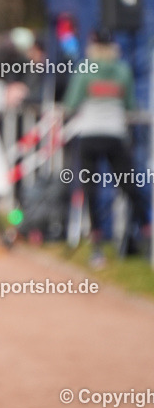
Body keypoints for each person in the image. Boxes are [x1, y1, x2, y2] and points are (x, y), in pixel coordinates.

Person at [64, 29, 150, 267]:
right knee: (130, 186)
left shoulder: (84, 69)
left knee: (90, 190)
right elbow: (130, 104)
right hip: (115, 135)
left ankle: (97, 248)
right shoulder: (122, 70)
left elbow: (71, 103)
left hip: (90, 135)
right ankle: (146, 231)